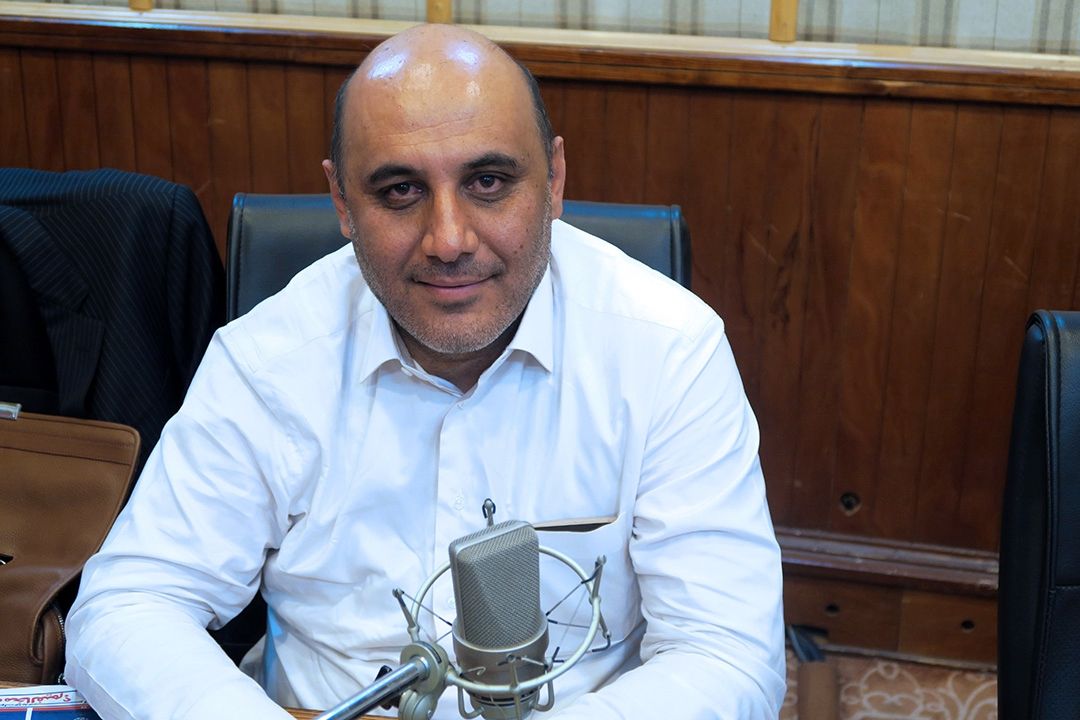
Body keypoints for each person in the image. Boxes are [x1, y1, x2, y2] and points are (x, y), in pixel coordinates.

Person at [64, 23, 786, 720]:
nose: (448, 240)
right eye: (400, 192)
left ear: (555, 179)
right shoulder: (268, 361)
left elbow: (725, 654)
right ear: (342, 202)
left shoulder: (669, 350)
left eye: (489, 182)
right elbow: (129, 604)